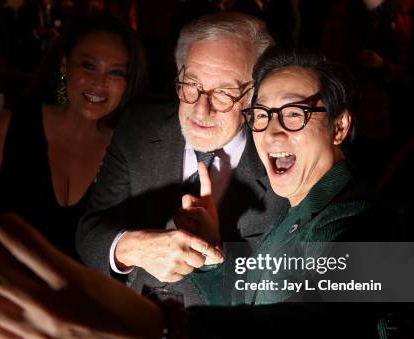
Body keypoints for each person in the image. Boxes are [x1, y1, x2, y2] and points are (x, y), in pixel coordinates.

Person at [0, 48, 391, 339]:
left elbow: (328, 334)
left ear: (340, 125)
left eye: (293, 114)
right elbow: (262, 296)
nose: (272, 132)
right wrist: (212, 256)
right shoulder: (300, 211)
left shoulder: (370, 221)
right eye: (261, 114)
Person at [76, 12, 286, 305]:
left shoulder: (284, 159)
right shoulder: (138, 128)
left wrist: (215, 258)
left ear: (255, 95)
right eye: (191, 85)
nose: (201, 110)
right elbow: (90, 230)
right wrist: (130, 248)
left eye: (224, 93)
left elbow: (296, 284)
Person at [0, 14, 147, 259]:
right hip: (7, 290)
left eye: (115, 73)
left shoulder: (125, 153)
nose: (99, 83)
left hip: (84, 296)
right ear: (65, 66)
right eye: (88, 66)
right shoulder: (12, 126)